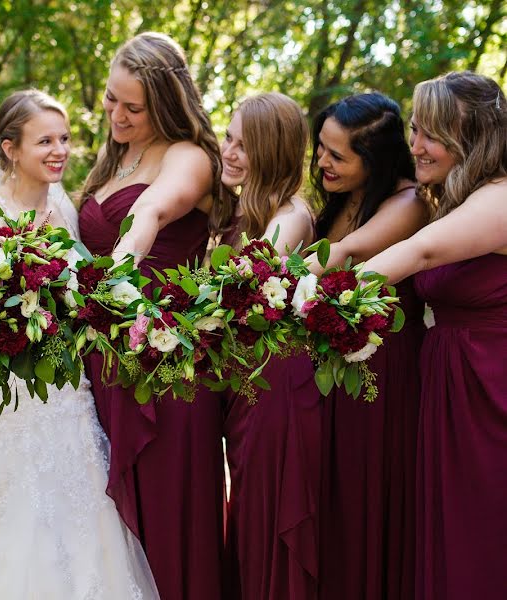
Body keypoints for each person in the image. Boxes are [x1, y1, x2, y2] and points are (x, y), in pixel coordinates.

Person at [0, 89, 158, 599]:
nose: (58, 150)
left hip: (65, 393)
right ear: (11, 148)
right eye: (44, 141)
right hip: (8, 396)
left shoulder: (63, 215)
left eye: (63, 139)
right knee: (11, 522)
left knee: (79, 519)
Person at [77, 32, 230, 600]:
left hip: (164, 365)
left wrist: (112, 278)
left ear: (164, 104)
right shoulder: (118, 153)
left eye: (132, 107)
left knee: (165, 514)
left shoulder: (188, 157)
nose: (116, 114)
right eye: (111, 99)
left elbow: (150, 211)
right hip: (103, 358)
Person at [364, 71, 507, 600]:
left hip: (492, 394)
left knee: (484, 537)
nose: (416, 147)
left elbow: (421, 254)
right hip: (449, 388)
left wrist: (320, 300)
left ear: (472, 138)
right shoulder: (450, 197)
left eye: (432, 134)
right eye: (415, 131)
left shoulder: (501, 196)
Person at [308, 93, 428, 600]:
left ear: (374, 161)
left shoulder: (408, 202)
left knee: (363, 495)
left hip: (382, 375)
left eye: (338, 155)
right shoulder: (341, 200)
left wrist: (263, 283)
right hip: (334, 369)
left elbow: (348, 253)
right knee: (331, 496)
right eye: (320, 149)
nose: (322, 162)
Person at [216, 92, 320, 600]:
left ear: (274, 152)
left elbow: (246, 285)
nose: (229, 152)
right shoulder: (243, 211)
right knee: (248, 510)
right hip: (245, 387)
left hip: (277, 385)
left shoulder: (292, 215)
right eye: (228, 138)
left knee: (269, 513)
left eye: (244, 145)